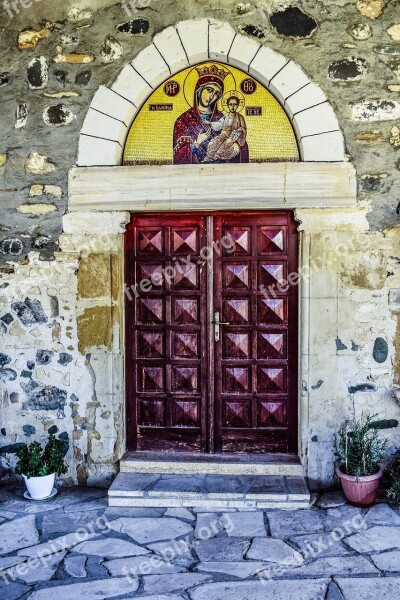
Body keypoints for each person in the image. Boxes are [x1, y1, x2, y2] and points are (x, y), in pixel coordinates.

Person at [173, 65, 249, 164]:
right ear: (198, 91)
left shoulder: (221, 116)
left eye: (217, 94)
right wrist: (196, 144)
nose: (212, 96)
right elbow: (178, 155)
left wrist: (237, 145)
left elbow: (240, 142)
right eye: (209, 90)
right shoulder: (184, 119)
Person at [202, 94, 247, 163]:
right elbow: (220, 124)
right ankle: (209, 157)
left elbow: (244, 129)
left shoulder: (240, 117)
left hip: (234, 136)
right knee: (215, 141)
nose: (232, 107)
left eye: (234, 104)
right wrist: (210, 123)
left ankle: (216, 156)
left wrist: (240, 130)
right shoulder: (226, 116)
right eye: (230, 104)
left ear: (237, 105)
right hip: (223, 135)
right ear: (228, 105)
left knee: (228, 142)